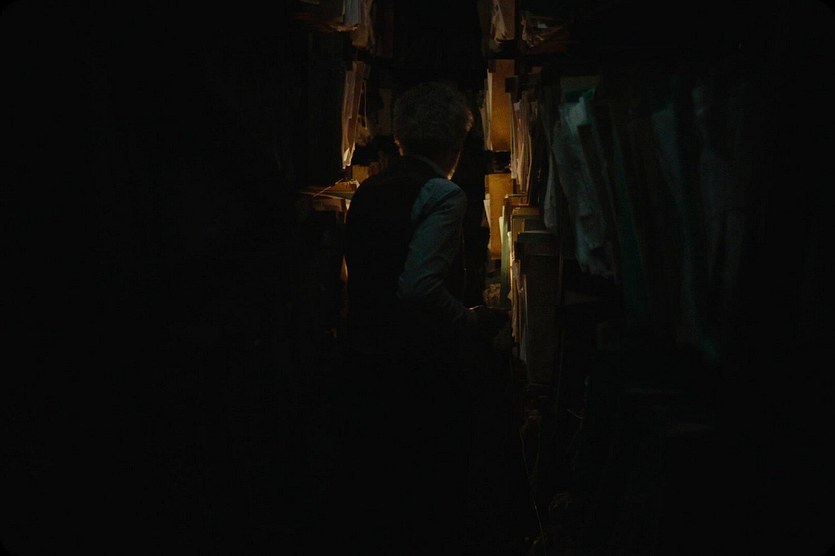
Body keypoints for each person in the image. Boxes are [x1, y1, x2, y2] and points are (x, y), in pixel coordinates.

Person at [332, 81, 508, 554]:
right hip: (419, 371)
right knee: (431, 498)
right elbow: (419, 288)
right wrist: (470, 320)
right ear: (458, 143)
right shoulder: (442, 195)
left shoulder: (367, 190)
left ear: (400, 139)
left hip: (363, 364)